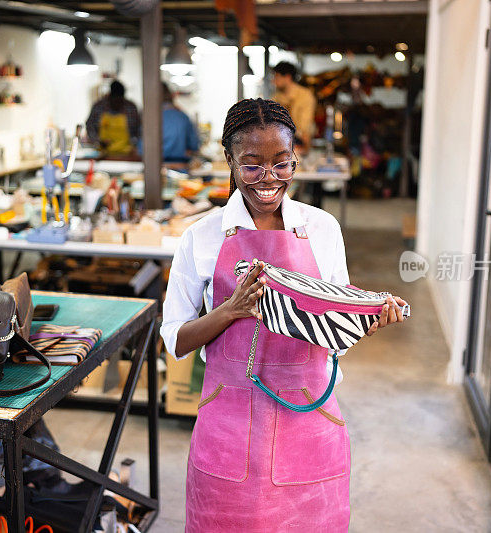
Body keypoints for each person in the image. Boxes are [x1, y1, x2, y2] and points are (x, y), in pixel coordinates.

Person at [160, 98, 407, 531]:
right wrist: (231, 310)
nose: (268, 179)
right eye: (252, 165)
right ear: (230, 162)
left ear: (296, 160)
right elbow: (176, 338)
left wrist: (365, 318)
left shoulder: (322, 228)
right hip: (229, 425)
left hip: (310, 417)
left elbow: (334, 320)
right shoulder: (201, 236)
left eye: (282, 164)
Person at [85, 80, 140, 157]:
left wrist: (135, 145)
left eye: (119, 100)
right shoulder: (99, 107)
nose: (117, 103)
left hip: (127, 154)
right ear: (110, 96)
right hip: (102, 154)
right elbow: (90, 126)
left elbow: (138, 130)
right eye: (115, 100)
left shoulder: (131, 108)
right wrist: (98, 141)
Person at [272, 61, 317, 154]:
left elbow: (305, 126)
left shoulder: (304, 95)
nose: (274, 81)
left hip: (298, 142)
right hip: (278, 143)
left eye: (277, 76)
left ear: (287, 77)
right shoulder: (276, 97)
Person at [161, 83, 199, 164]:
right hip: (181, 166)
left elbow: (141, 149)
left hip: (155, 166)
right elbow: (194, 145)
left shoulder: (150, 119)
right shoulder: (183, 116)